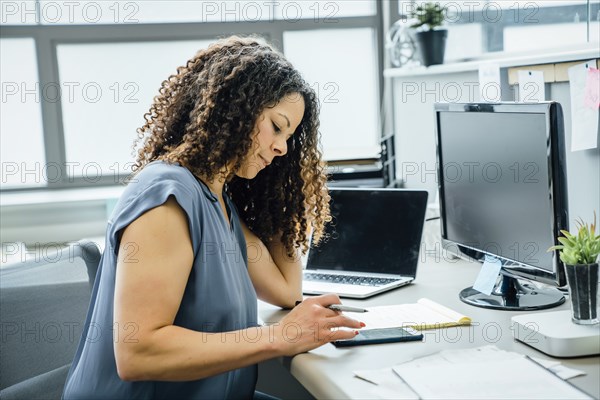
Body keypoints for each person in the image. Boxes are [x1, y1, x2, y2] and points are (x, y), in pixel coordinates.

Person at [62, 35, 364, 399]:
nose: (283, 147)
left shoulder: (219, 201)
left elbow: (286, 290)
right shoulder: (168, 199)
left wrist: (286, 191)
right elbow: (137, 352)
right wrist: (279, 336)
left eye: (291, 136)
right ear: (234, 110)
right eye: (277, 126)